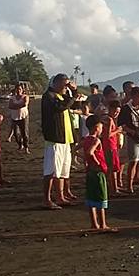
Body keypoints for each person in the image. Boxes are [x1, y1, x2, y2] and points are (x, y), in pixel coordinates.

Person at [41, 73, 79, 209]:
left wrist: (72, 91)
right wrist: (73, 93)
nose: (65, 87)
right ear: (56, 84)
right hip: (55, 139)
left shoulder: (60, 96)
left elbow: (69, 103)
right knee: (51, 170)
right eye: (64, 84)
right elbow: (60, 107)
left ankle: (60, 196)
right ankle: (47, 199)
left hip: (65, 139)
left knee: (63, 171)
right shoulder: (49, 96)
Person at [82, 115, 115, 231]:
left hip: (90, 172)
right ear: (97, 128)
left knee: (91, 199)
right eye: (101, 127)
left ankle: (94, 224)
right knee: (101, 199)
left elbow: (76, 149)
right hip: (98, 172)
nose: (102, 130)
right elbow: (90, 152)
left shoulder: (86, 139)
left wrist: (85, 160)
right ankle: (103, 224)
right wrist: (97, 162)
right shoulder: (96, 140)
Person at [103, 99, 124, 194]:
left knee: (114, 167)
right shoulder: (109, 119)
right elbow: (107, 135)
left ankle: (114, 187)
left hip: (113, 145)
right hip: (109, 146)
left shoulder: (109, 119)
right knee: (112, 168)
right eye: (115, 111)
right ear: (110, 109)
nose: (116, 113)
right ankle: (113, 188)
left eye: (118, 112)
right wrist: (118, 130)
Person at [7, 84, 30, 153]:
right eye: (17, 89)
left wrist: (15, 106)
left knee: (24, 133)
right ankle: (20, 145)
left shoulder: (25, 96)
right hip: (14, 117)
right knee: (16, 133)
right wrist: (19, 106)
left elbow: (25, 104)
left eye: (20, 89)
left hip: (23, 116)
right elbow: (10, 106)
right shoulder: (12, 98)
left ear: (22, 90)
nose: (18, 90)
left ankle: (26, 147)